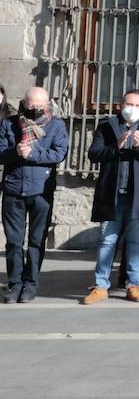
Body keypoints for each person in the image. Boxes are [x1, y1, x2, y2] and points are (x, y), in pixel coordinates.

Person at [82, 89, 139, 304]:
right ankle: (100, 285)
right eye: (129, 104)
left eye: (138, 105)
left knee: (135, 241)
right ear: (120, 106)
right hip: (113, 193)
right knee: (107, 240)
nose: (133, 109)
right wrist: (115, 147)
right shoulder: (107, 126)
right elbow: (94, 153)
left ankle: (133, 284)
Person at [1, 86, 69, 303]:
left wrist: (33, 153)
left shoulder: (56, 125)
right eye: (33, 106)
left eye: (41, 106)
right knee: (13, 241)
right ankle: (15, 284)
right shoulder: (9, 123)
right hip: (13, 190)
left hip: (41, 191)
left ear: (47, 104)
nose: (38, 110)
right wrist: (15, 152)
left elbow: (59, 153)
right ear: (24, 103)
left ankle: (30, 284)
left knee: (36, 241)